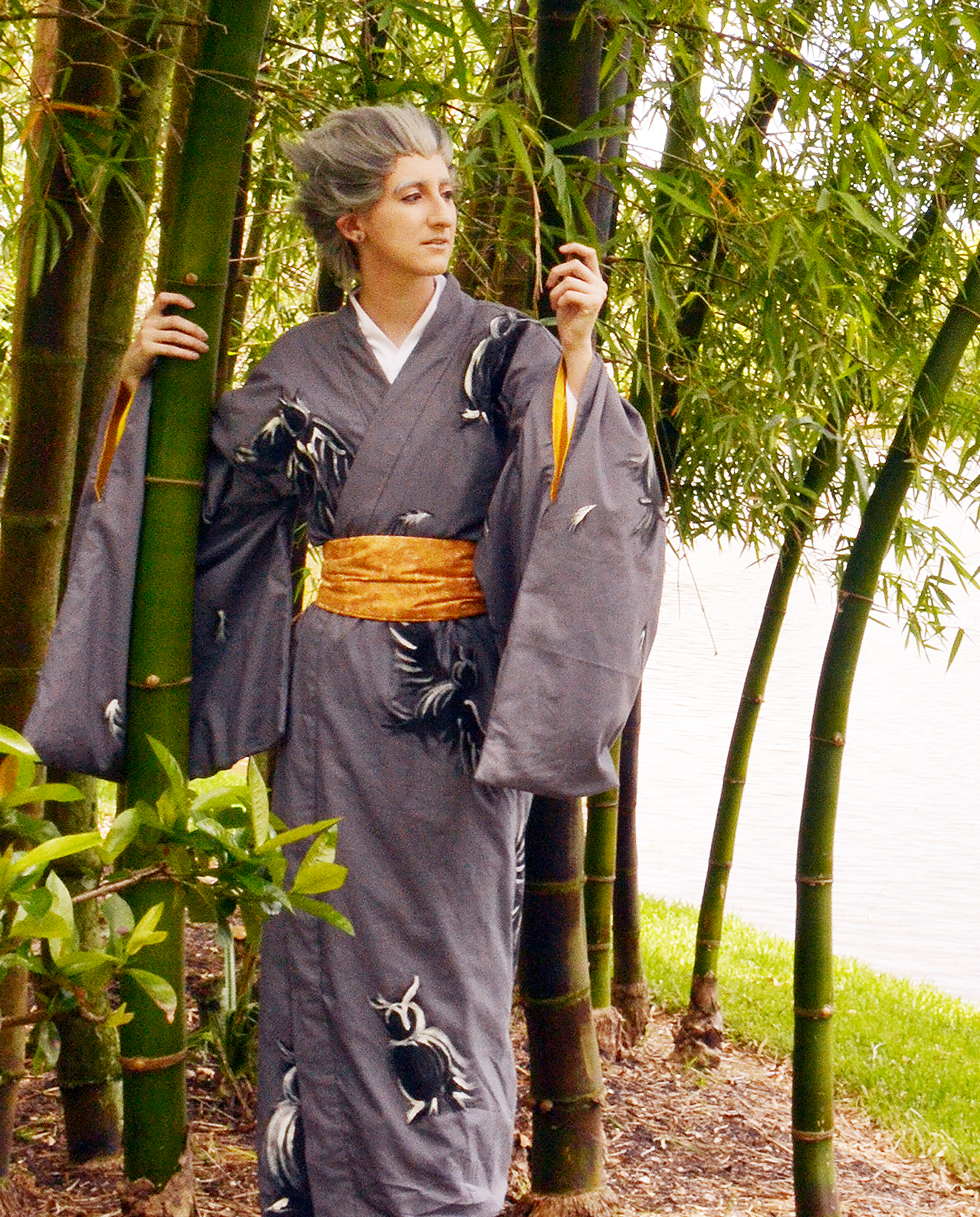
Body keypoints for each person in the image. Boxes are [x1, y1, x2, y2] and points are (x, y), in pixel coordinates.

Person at [26, 105, 664, 1217]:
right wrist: (135, 385)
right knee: (323, 935)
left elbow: (576, 494)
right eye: (413, 195)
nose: (442, 214)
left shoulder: (507, 349)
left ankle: (448, 1191)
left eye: (448, 192)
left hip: (452, 703)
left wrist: (576, 351)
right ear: (352, 222)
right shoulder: (298, 366)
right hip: (331, 698)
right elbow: (196, 513)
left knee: (458, 951)